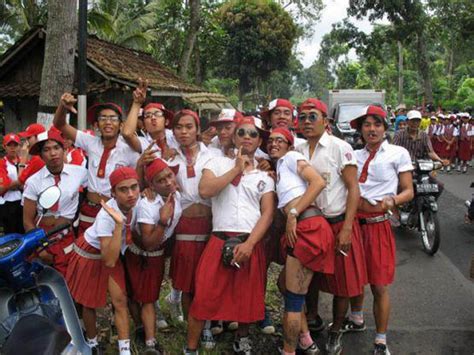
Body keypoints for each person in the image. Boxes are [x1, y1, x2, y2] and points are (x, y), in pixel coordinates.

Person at [186, 117, 275, 355]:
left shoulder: (264, 176)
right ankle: (191, 348)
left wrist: (250, 244)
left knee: (246, 295)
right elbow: (205, 190)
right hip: (219, 238)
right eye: (242, 132)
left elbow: (267, 214)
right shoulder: (215, 162)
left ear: (259, 141)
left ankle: (241, 339)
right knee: (204, 295)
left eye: (253, 134)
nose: (247, 136)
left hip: (249, 240)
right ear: (234, 137)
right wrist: (236, 168)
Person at [295, 98, 367, 354]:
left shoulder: (340, 147)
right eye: (302, 117)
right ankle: (313, 320)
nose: (306, 122)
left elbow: (353, 189)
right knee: (309, 279)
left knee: (343, 283)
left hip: (338, 223)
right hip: (312, 226)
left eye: (312, 117)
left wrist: (347, 228)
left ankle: (336, 329)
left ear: (326, 121)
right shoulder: (298, 150)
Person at [349, 105, 414, 355]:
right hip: (354, 224)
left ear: (385, 128)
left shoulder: (398, 153)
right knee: (354, 279)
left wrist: (393, 201)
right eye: (367, 124)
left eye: (377, 124)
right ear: (361, 130)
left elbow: (408, 190)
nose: (372, 129)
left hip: (378, 225)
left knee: (379, 285)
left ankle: (380, 340)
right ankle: (356, 319)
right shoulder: (353, 155)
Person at [266, 127, 331, 355]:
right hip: (305, 226)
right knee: (284, 285)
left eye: (279, 140)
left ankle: (289, 351)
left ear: (289, 145)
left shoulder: (292, 157)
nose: (273, 143)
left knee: (293, 300)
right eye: (270, 140)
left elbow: (318, 182)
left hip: (307, 225)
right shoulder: (281, 168)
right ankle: (305, 339)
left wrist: (293, 213)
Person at [66, 167, 140, 355]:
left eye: (134, 187)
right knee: (89, 302)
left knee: (120, 300)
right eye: (123, 190)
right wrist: (118, 225)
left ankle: (125, 351)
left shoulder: (137, 203)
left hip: (111, 253)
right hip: (91, 254)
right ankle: (92, 344)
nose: (131, 194)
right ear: (113, 193)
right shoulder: (106, 216)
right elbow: (108, 261)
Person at [167, 109, 222, 348]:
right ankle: (194, 330)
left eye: (189, 127)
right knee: (189, 283)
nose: (184, 132)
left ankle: (208, 325)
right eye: (179, 127)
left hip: (212, 223)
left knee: (208, 281)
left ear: (197, 130)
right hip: (185, 226)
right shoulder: (169, 158)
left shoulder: (214, 155)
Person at [54, 93, 139, 234]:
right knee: (86, 249)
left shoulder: (129, 150)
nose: (108, 122)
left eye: (113, 118)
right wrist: (63, 107)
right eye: (103, 118)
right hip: (90, 208)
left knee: (111, 250)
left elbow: (138, 177)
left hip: (116, 208)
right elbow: (59, 124)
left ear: (121, 124)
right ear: (96, 125)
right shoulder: (90, 142)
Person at [125, 158, 182, 352]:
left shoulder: (177, 196)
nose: (168, 182)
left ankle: (149, 338)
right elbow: (148, 243)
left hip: (156, 255)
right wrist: (163, 221)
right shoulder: (147, 204)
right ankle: (144, 333)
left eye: (170, 176)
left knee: (148, 297)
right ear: (152, 185)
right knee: (132, 294)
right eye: (161, 180)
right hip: (138, 253)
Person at [23, 129, 87, 276]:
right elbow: (27, 221)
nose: (53, 153)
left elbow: (98, 189)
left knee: (72, 278)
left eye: (56, 148)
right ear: (41, 155)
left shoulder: (80, 173)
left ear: (64, 149)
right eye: (47, 149)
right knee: (45, 280)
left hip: (68, 235)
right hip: (42, 236)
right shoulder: (33, 182)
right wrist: (41, 248)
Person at [122, 79, 177, 157]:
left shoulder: (175, 136)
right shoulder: (143, 143)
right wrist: (137, 103)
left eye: (157, 114)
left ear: (166, 121)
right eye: (148, 116)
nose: (153, 118)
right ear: (144, 124)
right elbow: (127, 134)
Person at [0, 133, 24, 234]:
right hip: (8, 203)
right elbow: (2, 188)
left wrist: (13, 185)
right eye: (10, 145)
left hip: (23, 202)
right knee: (11, 234)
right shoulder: (2, 163)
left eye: (15, 145)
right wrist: (18, 184)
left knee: (23, 231)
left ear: (20, 146)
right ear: (4, 147)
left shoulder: (23, 161)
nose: (13, 148)